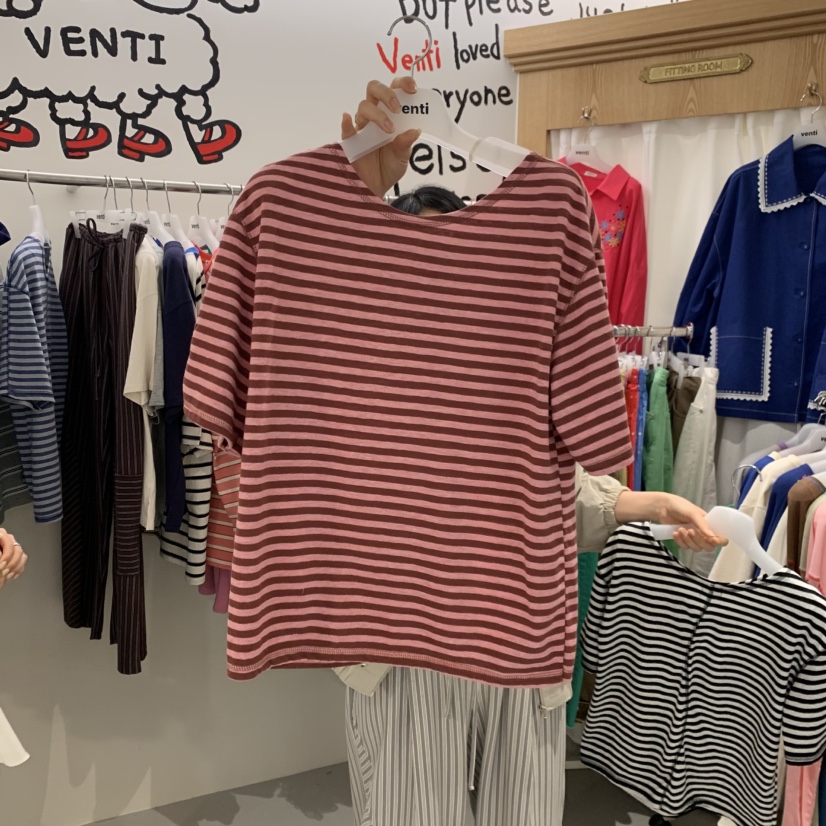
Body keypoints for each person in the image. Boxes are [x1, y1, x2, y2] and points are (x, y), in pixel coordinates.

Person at [335, 79, 726, 826]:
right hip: (402, 653)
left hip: (516, 635)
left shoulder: (513, 369)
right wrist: (355, 200)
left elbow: (558, 494)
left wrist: (655, 502)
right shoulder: (359, 369)